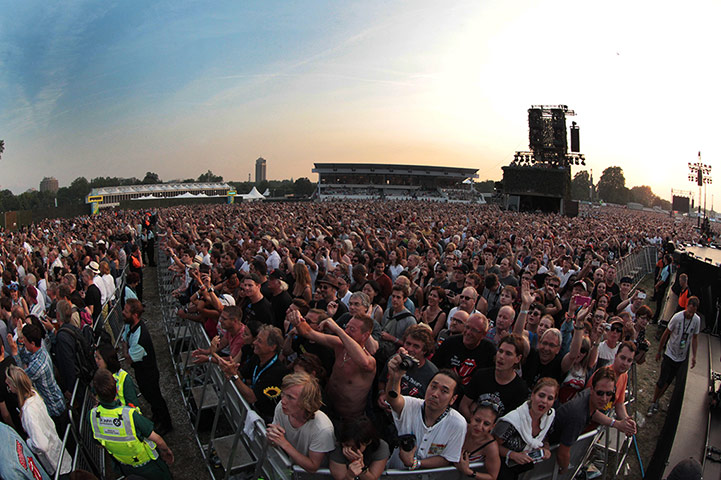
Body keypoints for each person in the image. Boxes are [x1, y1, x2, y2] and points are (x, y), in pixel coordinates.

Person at [385, 349, 466, 470]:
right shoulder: (411, 405)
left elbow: (447, 458)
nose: (435, 394)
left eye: (444, 391)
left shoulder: (458, 423)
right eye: (433, 387)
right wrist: (395, 377)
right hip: (396, 473)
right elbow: (393, 399)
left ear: (453, 399)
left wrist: (414, 463)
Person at [289, 310, 376, 420]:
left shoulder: (369, 360)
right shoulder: (339, 344)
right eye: (347, 327)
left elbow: (364, 363)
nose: (347, 331)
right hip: (327, 407)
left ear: (365, 335)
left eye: (352, 329)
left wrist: (338, 329)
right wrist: (298, 320)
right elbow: (309, 333)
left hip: (348, 418)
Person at [89, 368, 174, 479]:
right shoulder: (129, 414)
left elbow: (98, 442)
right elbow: (157, 439)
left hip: (125, 466)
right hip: (149, 465)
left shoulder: (92, 415)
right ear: (116, 390)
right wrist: (166, 452)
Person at [5, 366, 71, 476]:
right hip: (58, 450)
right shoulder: (33, 394)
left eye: (9, 385)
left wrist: (28, 441)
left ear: (15, 386)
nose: (8, 388)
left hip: (54, 464)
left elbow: (41, 445)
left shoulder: (28, 411)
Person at [121, 298, 173, 435]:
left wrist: (125, 349)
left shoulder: (140, 337)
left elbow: (129, 359)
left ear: (135, 315)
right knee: (150, 397)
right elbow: (124, 340)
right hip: (141, 371)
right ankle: (157, 418)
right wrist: (126, 348)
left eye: (126, 311)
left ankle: (166, 424)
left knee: (155, 398)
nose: (122, 313)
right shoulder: (130, 325)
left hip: (148, 373)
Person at [266, 372, 335, 473]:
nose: (283, 400)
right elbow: (274, 441)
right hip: (290, 469)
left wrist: (284, 444)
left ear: (306, 402)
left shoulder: (322, 428)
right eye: (283, 394)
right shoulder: (281, 408)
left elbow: (313, 466)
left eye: (290, 397)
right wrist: (271, 438)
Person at [219, 324, 288, 424]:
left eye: (259, 341)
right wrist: (231, 370)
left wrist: (233, 375)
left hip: (267, 419)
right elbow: (241, 374)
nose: (254, 342)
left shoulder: (278, 372)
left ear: (272, 347)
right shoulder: (257, 357)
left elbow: (252, 397)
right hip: (253, 410)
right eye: (256, 339)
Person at [493, 378, 557, 480]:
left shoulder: (550, 417)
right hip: (501, 469)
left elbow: (545, 437)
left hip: (525, 469)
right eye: (541, 395)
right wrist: (512, 455)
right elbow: (491, 444)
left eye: (550, 398)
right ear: (532, 395)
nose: (544, 401)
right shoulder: (511, 421)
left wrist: (546, 448)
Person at [648, 296, 701, 415]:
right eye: (689, 311)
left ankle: (657, 400)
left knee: (668, 381)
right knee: (662, 380)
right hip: (670, 353)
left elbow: (695, 338)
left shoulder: (696, 320)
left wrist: (694, 356)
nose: (690, 314)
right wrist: (659, 351)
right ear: (686, 307)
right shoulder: (677, 317)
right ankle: (653, 402)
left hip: (680, 356)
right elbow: (666, 334)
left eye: (692, 313)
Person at [460, 334, 529, 419]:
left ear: (518, 358)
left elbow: (509, 422)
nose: (501, 357)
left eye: (508, 354)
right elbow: (464, 405)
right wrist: (474, 425)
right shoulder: (481, 375)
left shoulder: (520, 389)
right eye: (500, 351)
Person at [433, 312, 496, 386]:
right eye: (467, 327)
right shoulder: (450, 342)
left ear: (483, 334)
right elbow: (435, 368)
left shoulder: (489, 351)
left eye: (474, 330)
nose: (468, 332)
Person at [329, 416, 390, 480]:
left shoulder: (380, 447)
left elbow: (373, 478)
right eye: (346, 445)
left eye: (355, 447)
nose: (350, 450)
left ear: (367, 442)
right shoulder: (337, 448)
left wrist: (361, 468)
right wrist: (349, 476)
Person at [454, 401, 501, 480]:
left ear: (492, 426)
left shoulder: (491, 447)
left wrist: (469, 472)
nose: (479, 426)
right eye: (477, 420)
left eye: (486, 424)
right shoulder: (460, 429)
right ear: (471, 417)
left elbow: (493, 477)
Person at [95, 341, 140, 407]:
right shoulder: (99, 375)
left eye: (99, 358)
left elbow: (133, 405)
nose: (96, 360)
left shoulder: (124, 378)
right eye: (95, 357)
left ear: (107, 359)